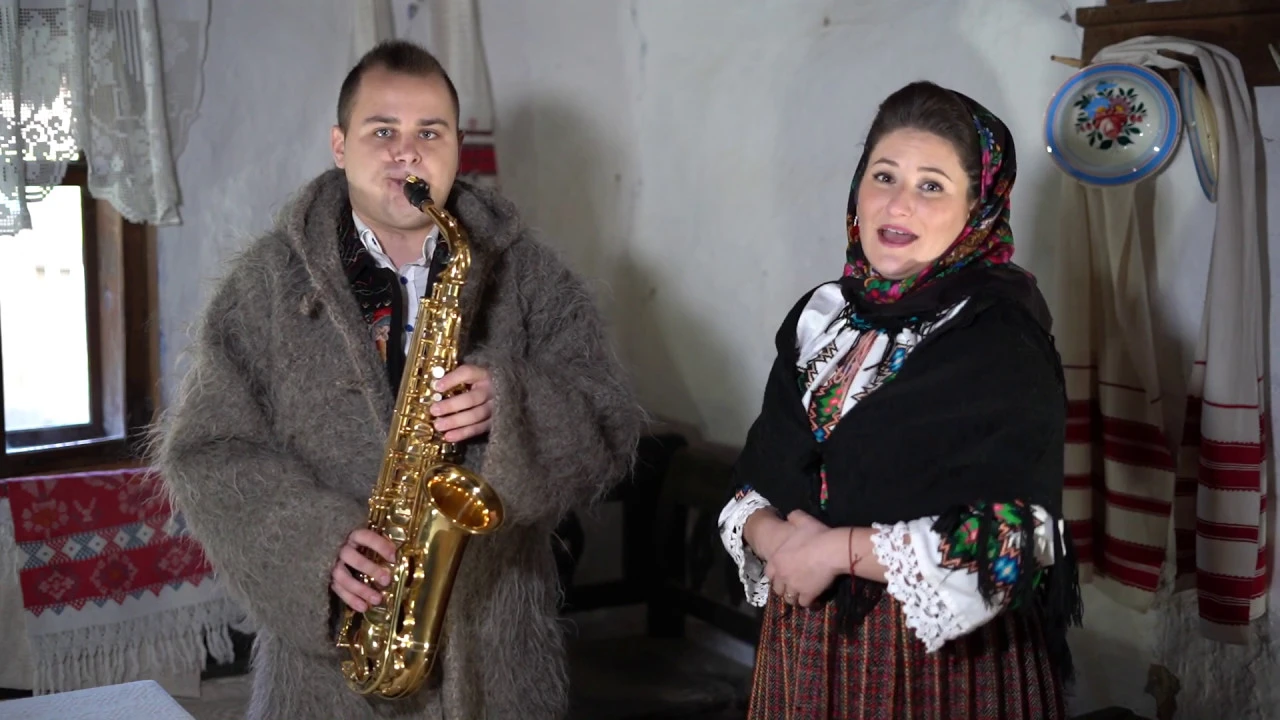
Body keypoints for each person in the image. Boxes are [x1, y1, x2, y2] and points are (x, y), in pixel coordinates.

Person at [152, 40, 643, 720]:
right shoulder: (263, 283)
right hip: (324, 684)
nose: (407, 154)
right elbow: (206, 453)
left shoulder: (530, 273)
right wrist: (314, 546)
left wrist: (514, 402)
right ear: (339, 145)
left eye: (429, 133)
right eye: (382, 131)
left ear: (457, 149)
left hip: (497, 665)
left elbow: (609, 423)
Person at [717, 81, 1083, 719]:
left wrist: (834, 552)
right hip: (804, 641)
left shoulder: (998, 339)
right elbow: (761, 473)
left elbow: (1011, 541)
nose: (898, 203)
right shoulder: (824, 320)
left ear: (978, 210)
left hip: (934, 658)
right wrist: (772, 538)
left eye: (932, 185)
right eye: (883, 176)